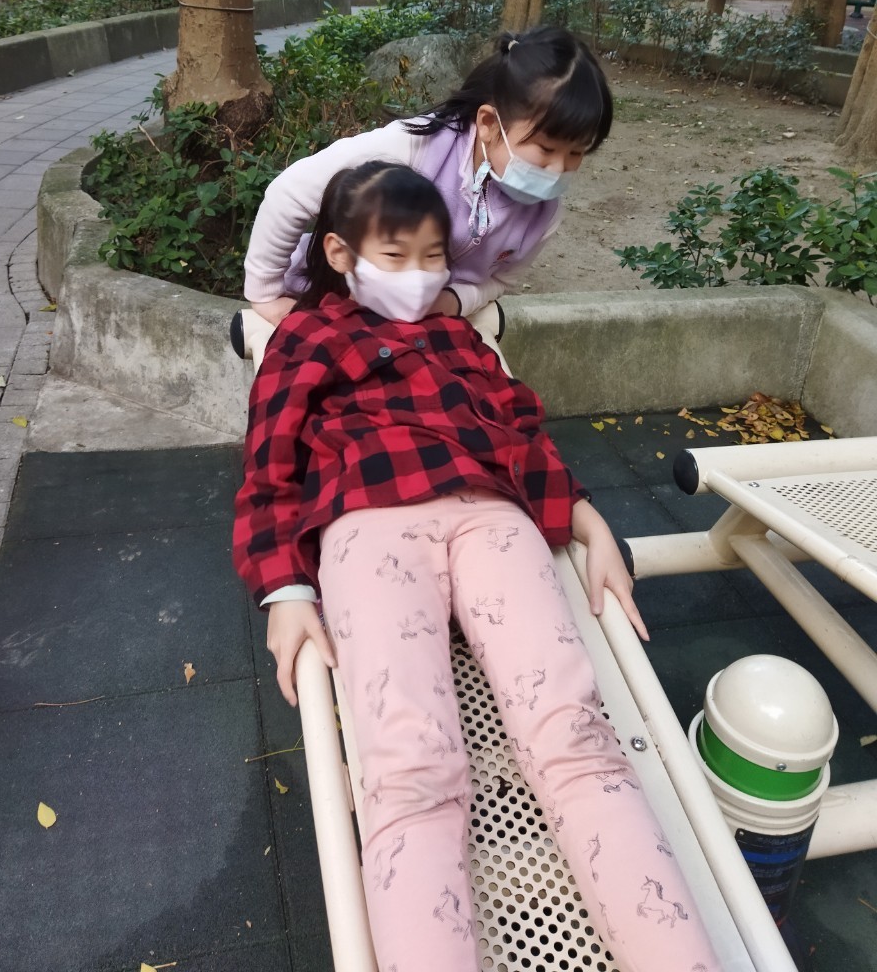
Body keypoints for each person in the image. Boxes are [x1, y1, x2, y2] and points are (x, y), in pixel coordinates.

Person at [233, 161, 721, 972]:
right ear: (342, 254)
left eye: (433, 257)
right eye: (396, 257)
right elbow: (268, 465)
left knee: (575, 734)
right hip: (369, 523)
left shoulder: (459, 338)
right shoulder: (309, 336)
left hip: (493, 519)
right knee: (408, 766)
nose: (420, 277)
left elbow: (522, 432)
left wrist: (589, 522)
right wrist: (283, 588)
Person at [243, 27, 613, 334]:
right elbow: (288, 194)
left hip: (417, 327)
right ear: (488, 123)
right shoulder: (415, 146)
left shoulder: (543, 216)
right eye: (546, 149)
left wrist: (454, 301)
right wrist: (266, 294)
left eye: (576, 153)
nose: (558, 169)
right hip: (334, 304)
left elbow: (501, 280)